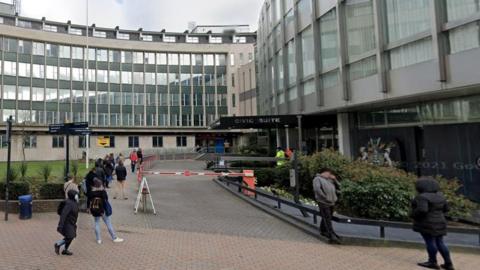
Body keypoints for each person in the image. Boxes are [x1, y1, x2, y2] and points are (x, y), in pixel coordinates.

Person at [412, 177, 454, 270]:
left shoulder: (422, 197)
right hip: (440, 222)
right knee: (440, 242)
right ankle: (448, 263)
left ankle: (432, 262)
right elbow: (447, 209)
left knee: (430, 242)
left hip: (427, 223)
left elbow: (422, 210)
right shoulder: (440, 196)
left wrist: (412, 214)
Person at [88, 178, 124, 244]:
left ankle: (98, 239)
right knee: (108, 223)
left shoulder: (91, 192)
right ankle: (114, 237)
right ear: (100, 184)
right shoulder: (103, 192)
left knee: (96, 223)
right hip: (103, 210)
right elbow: (106, 200)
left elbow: (89, 200)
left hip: (95, 209)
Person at [312, 168, 341, 244]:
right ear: (323, 173)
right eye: (328, 173)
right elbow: (317, 190)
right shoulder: (317, 179)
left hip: (331, 202)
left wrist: (335, 180)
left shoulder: (329, 180)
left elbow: (339, 186)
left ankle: (323, 230)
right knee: (327, 217)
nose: (329, 175)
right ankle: (331, 234)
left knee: (328, 217)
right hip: (323, 202)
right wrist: (325, 197)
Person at [54, 190, 79, 256]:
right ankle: (58, 244)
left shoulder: (74, 202)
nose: (77, 196)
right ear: (73, 196)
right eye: (76, 195)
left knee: (71, 236)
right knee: (70, 236)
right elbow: (63, 215)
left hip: (72, 222)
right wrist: (60, 225)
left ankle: (65, 250)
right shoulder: (69, 204)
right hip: (67, 223)